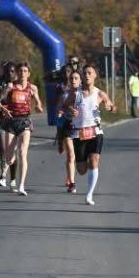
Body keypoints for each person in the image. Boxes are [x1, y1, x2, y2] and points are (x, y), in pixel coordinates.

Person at [64, 64, 116, 205]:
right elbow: (64, 107)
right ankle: (87, 164)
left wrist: (110, 107)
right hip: (79, 133)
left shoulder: (100, 94)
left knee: (94, 160)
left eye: (89, 73)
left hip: (95, 131)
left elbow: (113, 107)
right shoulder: (75, 93)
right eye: (85, 73)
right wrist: (70, 110)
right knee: (81, 170)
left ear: (94, 76)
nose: (87, 75)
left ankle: (89, 194)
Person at [0, 62, 44, 196]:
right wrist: (4, 109)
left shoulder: (32, 88)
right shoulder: (10, 86)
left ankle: (21, 185)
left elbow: (38, 102)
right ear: (17, 73)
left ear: (29, 73)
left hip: (25, 122)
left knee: (23, 153)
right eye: (20, 71)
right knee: (10, 159)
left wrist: (39, 106)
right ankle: (9, 162)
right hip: (11, 122)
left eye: (25, 71)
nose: (23, 73)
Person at [0, 61, 18, 187]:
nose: (10, 74)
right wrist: (0, 108)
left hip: (17, 121)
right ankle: (3, 175)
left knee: (12, 152)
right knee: (2, 150)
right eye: (7, 71)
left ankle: (13, 178)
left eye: (12, 71)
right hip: (3, 120)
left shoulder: (20, 85)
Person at [55, 64, 78, 192]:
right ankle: (71, 181)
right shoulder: (60, 87)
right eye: (65, 72)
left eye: (68, 71)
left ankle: (70, 175)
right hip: (64, 122)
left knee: (75, 155)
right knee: (70, 153)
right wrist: (60, 110)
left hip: (78, 125)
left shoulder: (80, 89)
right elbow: (58, 104)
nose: (67, 74)